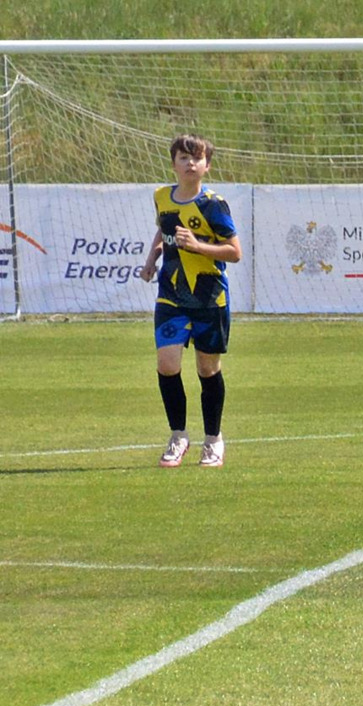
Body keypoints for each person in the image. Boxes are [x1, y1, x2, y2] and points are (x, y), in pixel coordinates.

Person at [137, 134, 242, 469]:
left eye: (197, 158)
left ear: (207, 166)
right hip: (171, 295)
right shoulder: (161, 197)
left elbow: (234, 252)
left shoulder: (214, 205)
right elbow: (164, 231)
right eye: (183, 158)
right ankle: (178, 436)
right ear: (173, 164)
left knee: (207, 369)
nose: (190, 163)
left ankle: (213, 440)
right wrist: (152, 259)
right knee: (167, 365)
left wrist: (197, 246)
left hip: (209, 297)